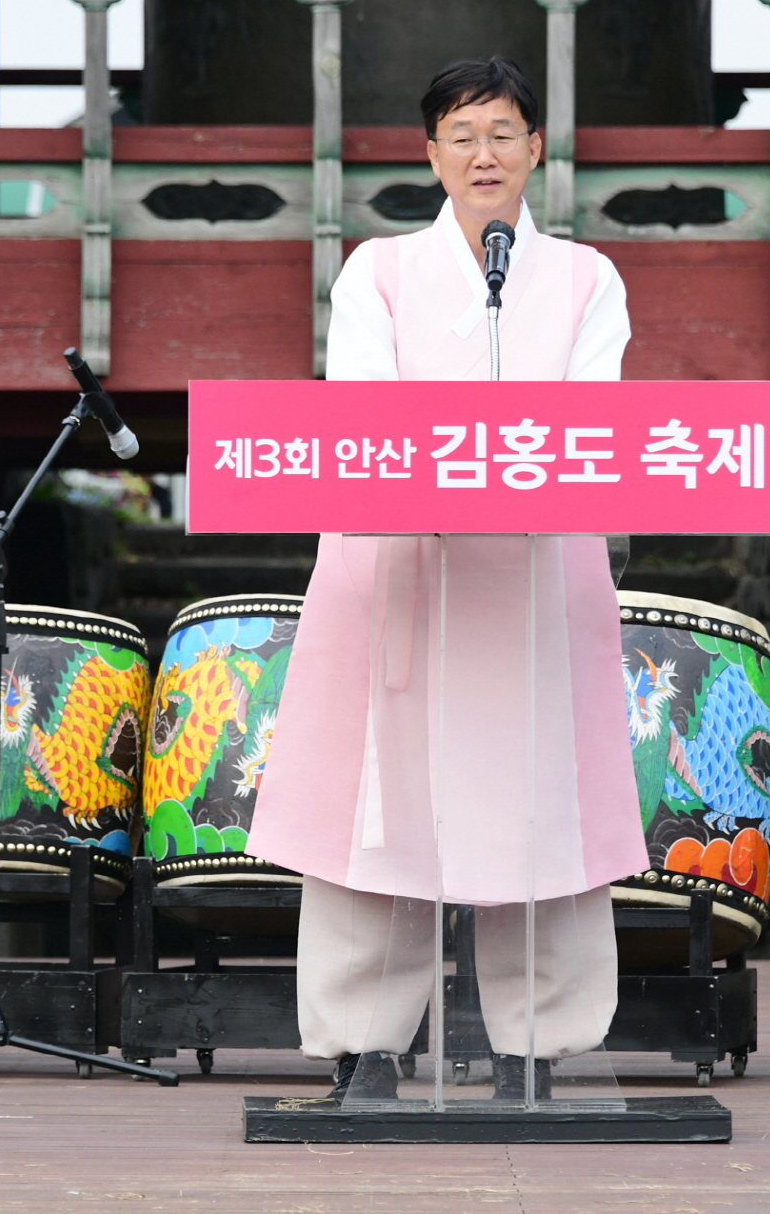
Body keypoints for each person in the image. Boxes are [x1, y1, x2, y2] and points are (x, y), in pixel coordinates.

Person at [245, 57, 645, 1101]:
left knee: (541, 803)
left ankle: (533, 1047)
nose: (483, 155)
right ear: (429, 153)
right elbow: (366, 413)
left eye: (503, 133)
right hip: (402, 570)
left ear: (537, 150)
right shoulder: (375, 272)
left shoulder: (584, 279)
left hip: (532, 572)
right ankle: (364, 1045)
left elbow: (589, 421)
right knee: (378, 808)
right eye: (461, 135)